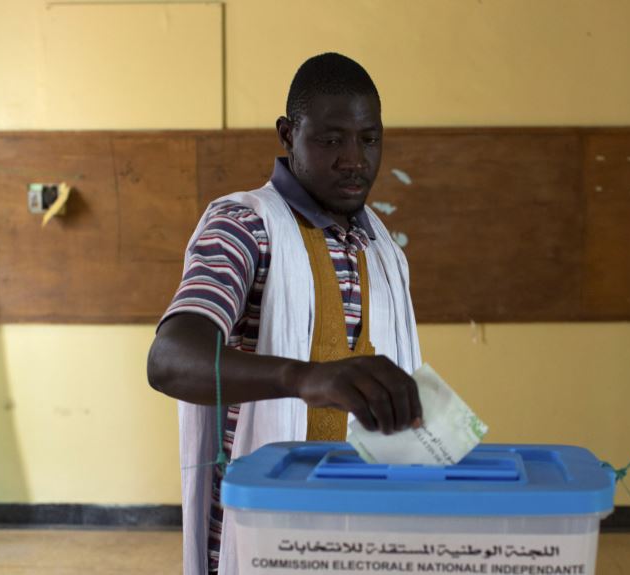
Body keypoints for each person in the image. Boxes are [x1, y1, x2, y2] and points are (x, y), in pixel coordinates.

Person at [147, 52, 423, 575]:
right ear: (287, 134)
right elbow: (168, 358)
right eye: (330, 139)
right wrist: (303, 378)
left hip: (364, 535)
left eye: (369, 139)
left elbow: (400, 380)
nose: (353, 160)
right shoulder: (244, 226)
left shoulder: (382, 248)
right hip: (265, 535)